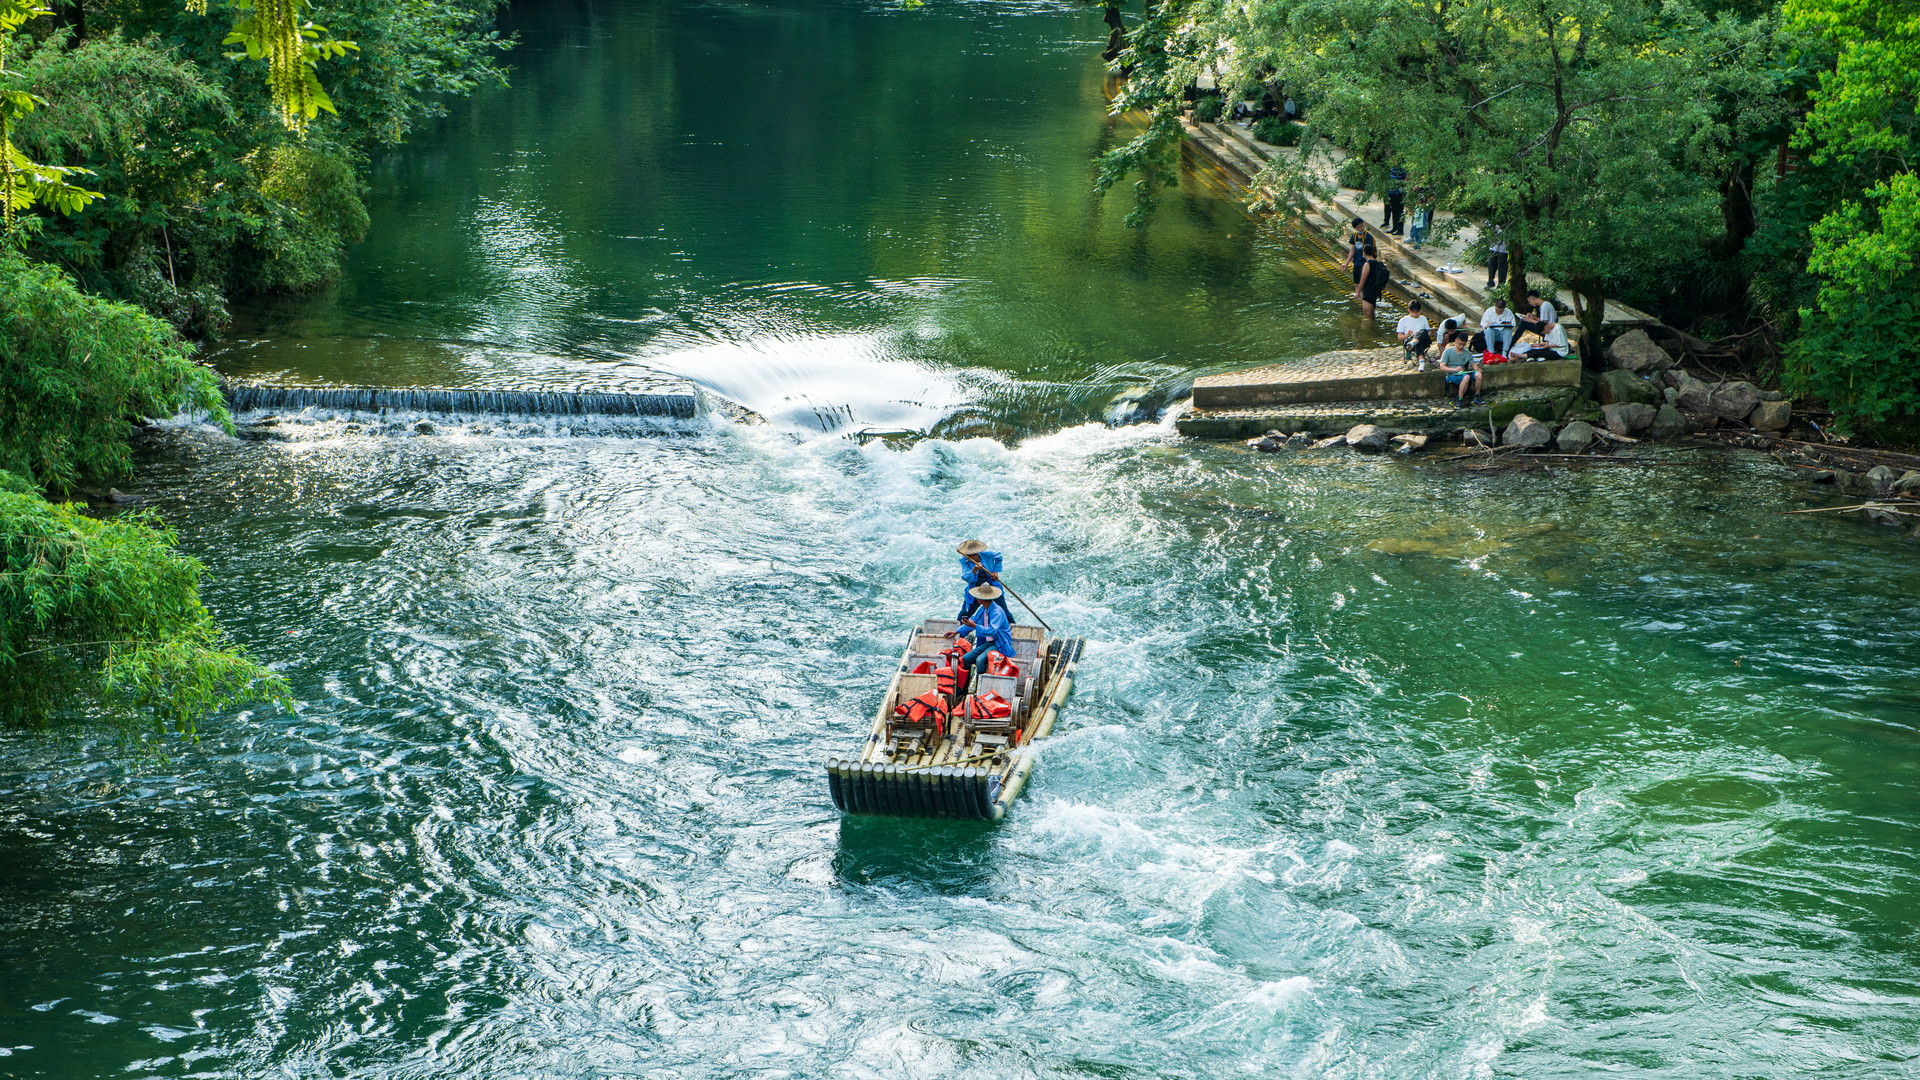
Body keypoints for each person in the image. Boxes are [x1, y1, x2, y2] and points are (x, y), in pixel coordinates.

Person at [955, 584, 1015, 678]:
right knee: (966, 659)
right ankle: (964, 685)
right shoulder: (983, 608)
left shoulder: (997, 612)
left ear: (981, 599)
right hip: (987, 643)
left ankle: (980, 682)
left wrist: (975, 626)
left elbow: (992, 631)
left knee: (980, 661)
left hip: (999, 644)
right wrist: (956, 632)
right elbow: (974, 619)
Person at [954, 539, 1002, 621]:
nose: (970, 557)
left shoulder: (987, 555)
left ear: (977, 553)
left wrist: (995, 571)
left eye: (973, 555)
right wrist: (974, 570)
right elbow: (966, 577)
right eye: (968, 555)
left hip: (992, 589)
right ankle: (959, 628)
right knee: (964, 614)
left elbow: (999, 555)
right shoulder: (964, 561)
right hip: (976, 590)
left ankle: (1013, 627)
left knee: (1003, 610)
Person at [1437, 331, 1483, 405]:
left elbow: (1473, 364)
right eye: (1460, 344)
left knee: (1478, 375)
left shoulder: (1466, 353)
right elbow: (1442, 367)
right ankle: (1459, 398)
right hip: (1452, 374)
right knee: (1466, 377)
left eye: (1464, 345)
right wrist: (1454, 369)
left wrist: (1477, 369)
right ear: (1456, 341)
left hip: (1463, 373)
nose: (1461, 346)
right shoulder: (1447, 352)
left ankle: (1477, 395)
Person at [1356, 244, 1389, 318]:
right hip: (1375, 290)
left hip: (1368, 290)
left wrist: (1357, 292)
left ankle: (1369, 325)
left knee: (1367, 314)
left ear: (1364, 253)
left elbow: (1363, 280)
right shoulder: (1378, 263)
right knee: (1371, 312)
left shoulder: (1367, 264)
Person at [1341, 219, 1369, 287]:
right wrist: (1346, 263)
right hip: (1357, 262)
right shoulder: (1354, 235)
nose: (1362, 228)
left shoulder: (1367, 236)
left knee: (1363, 283)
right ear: (1355, 228)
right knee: (1356, 283)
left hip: (1364, 263)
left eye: (1362, 225)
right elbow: (1352, 250)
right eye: (1359, 226)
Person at [1383, 164, 1407, 235]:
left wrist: (1399, 184)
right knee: (1394, 210)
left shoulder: (1403, 166)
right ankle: (1395, 227)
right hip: (1392, 192)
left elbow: (1409, 176)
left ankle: (1400, 229)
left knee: (1399, 211)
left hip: (1398, 192)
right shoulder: (1392, 167)